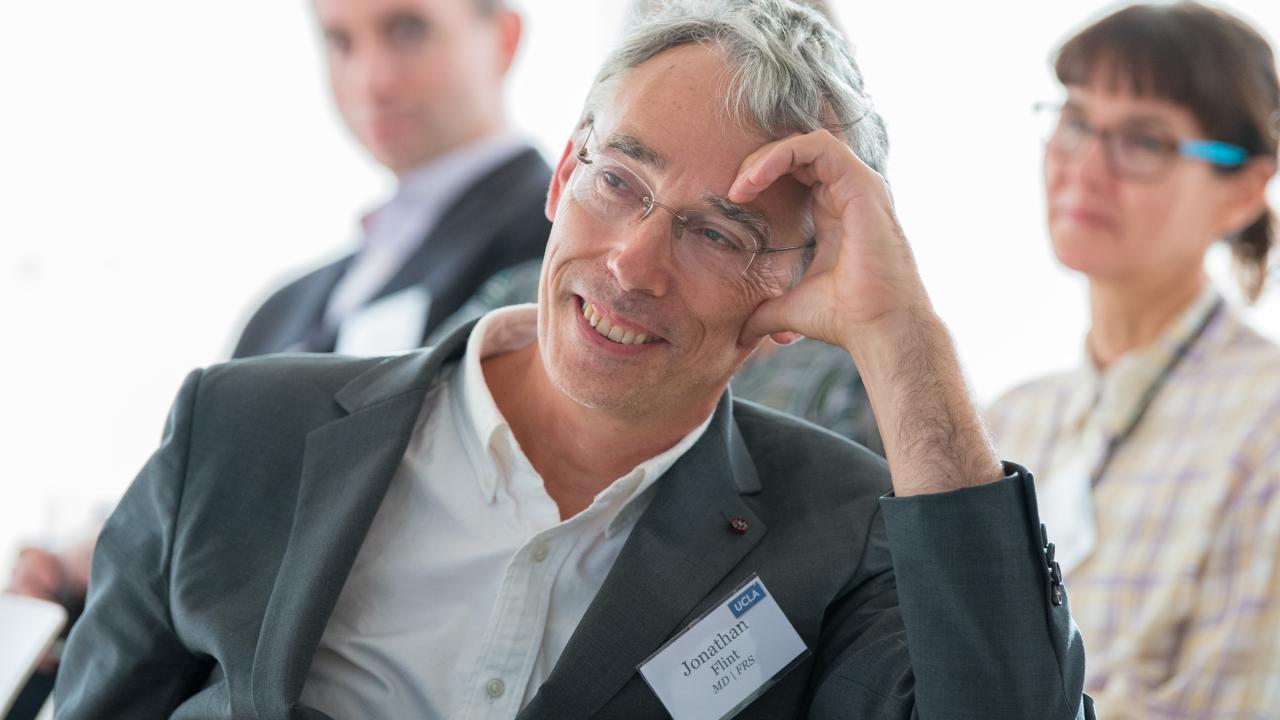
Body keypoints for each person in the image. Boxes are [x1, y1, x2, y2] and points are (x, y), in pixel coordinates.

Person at [54, 1, 1094, 717]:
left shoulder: (837, 535)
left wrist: (901, 335)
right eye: (619, 184)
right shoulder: (236, 430)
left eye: (716, 234)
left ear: (788, 302)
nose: (632, 263)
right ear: (560, 176)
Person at [4, 1, 548, 718]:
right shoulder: (296, 298)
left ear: (502, 37)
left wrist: (102, 551)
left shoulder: (549, 264)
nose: (371, 79)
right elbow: (194, 481)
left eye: (408, 30)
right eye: (339, 42)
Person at [985, 3, 1280, 717]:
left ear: (1242, 189)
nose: (1085, 166)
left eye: (1144, 141)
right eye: (1076, 121)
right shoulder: (1006, 422)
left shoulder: (1266, 426)